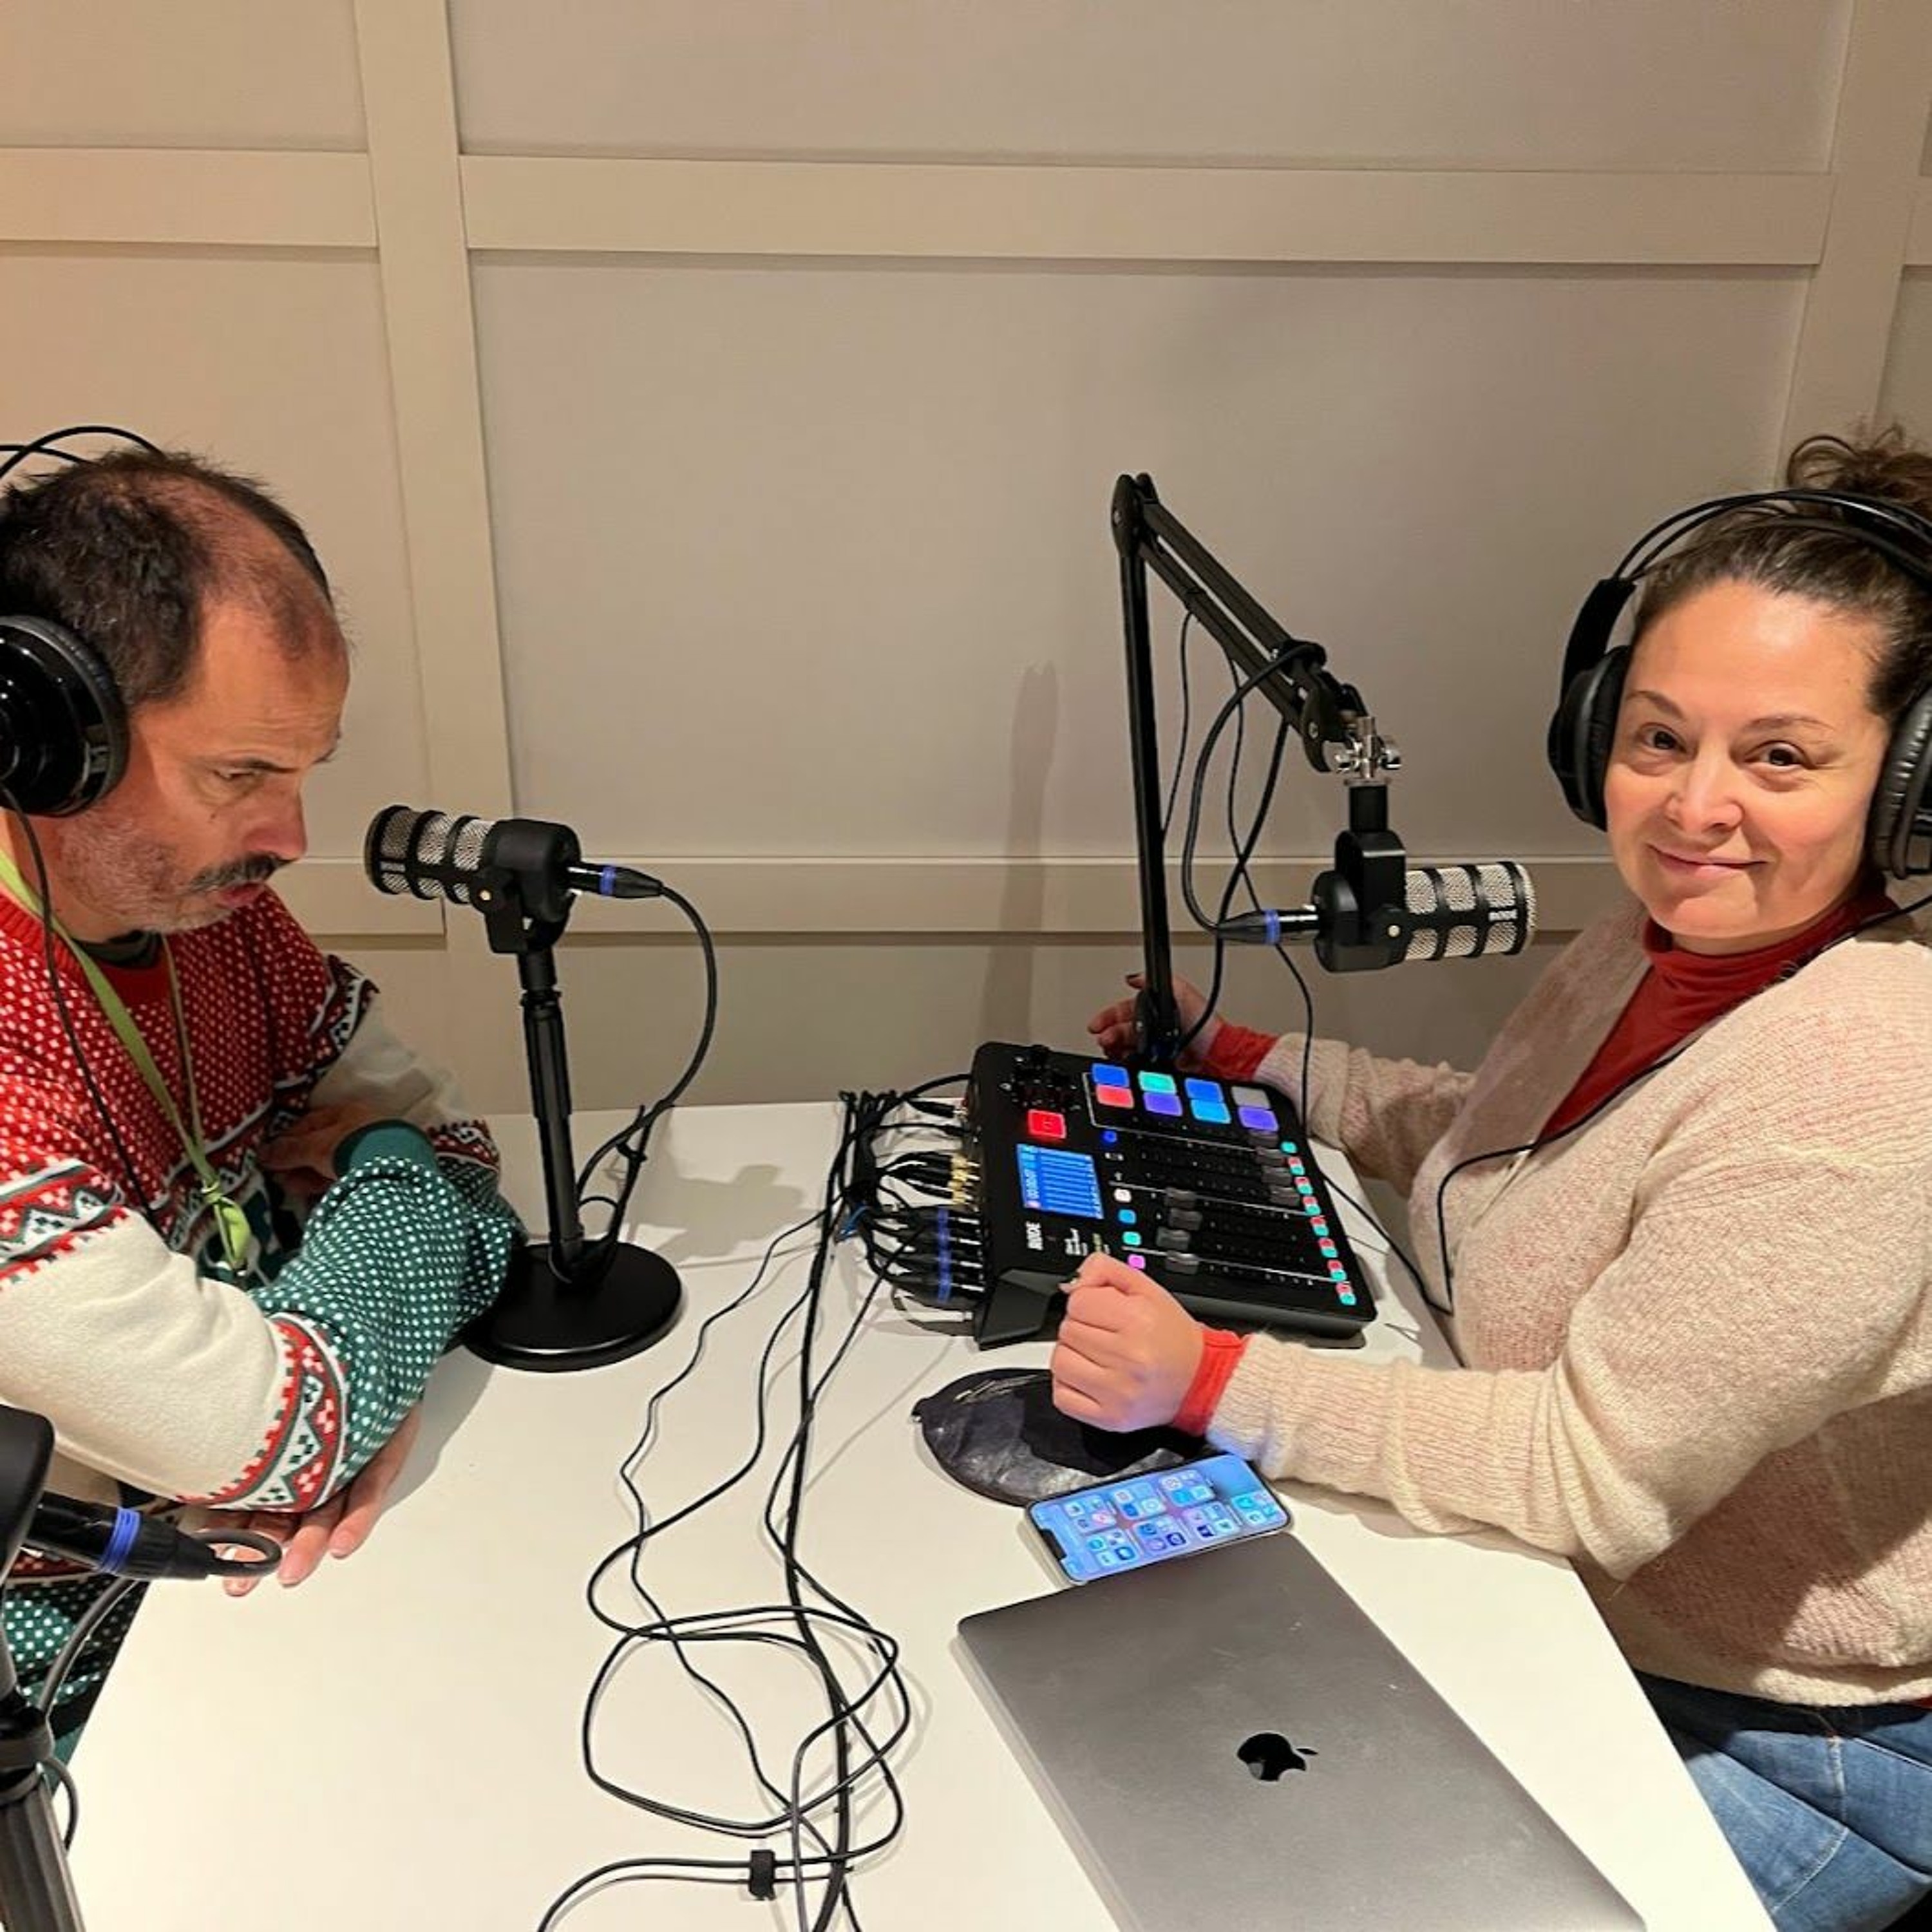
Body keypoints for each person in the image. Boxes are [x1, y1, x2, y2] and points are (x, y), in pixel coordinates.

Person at [1069, 428, 1932, 1932]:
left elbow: (1585, 1471)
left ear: (1914, 785)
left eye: (1780, 756)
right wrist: (1254, 1057)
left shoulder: (1862, 1071)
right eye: (1657, 738)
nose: (1693, 807)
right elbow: (1496, 1153)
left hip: (1783, 1733)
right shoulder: (1661, 941)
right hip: (1567, 1606)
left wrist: (1210, 1380)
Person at [0, 443, 520, 1754]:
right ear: (43, 743)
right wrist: (384, 1191)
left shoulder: (219, 920)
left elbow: (465, 1157)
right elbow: (272, 1436)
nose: (292, 839)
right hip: (70, 1676)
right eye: (239, 775)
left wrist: (347, 1375)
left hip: (254, 1600)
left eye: (303, 772)